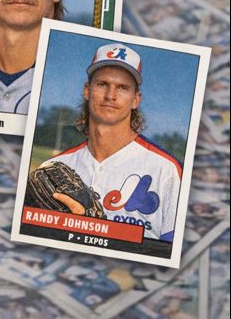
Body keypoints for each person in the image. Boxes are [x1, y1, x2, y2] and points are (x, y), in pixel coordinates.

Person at [39, 43, 182, 241]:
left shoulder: (167, 170)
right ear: (87, 91)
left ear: (136, 99)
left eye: (122, 88)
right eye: (102, 84)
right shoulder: (52, 168)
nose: (110, 96)